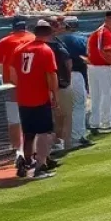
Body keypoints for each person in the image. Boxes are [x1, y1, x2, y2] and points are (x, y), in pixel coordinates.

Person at [12, 20, 60, 179]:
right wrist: (54, 94)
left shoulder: (20, 49)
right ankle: (40, 165)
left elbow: (13, 74)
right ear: (49, 33)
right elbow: (51, 75)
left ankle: (27, 162)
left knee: (29, 133)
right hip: (40, 96)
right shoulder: (45, 50)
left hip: (23, 97)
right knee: (45, 132)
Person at [0, 17, 34, 158]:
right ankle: (34, 150)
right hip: (34, 83)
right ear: (25, 26)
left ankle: (18, 150)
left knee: (14, 119)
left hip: (11, 85)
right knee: (34, 116)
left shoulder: (5, 41)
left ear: (13, 28)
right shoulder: (33, 38)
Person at [60, 16, 92, 148]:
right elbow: (87, 57)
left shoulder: (58, 39)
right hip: (76, 74)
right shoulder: (81, 39)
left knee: (64, 109)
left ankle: (64, 139)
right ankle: (77, 136)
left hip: (60, 77)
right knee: (79, 106)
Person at [45, 15, 74, 152]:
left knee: (61, 117)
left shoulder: (56, 41)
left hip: (57, 84)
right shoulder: (50, 45)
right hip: (57, 85)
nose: (59, 27)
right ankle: (59, 144)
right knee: (62, 117)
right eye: (56, 24)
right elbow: (67, 64)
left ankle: (59, 143)